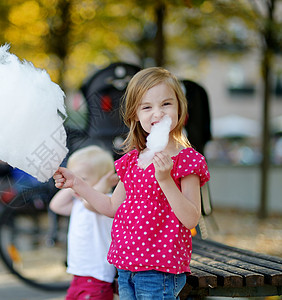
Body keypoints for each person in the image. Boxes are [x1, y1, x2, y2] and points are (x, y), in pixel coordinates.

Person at [53, 67, 210, 300]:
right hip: (125, 266)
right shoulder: (131, 162)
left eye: (166, 104)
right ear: (135, 114)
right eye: (147, 107)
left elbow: (191, 218)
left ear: (180, 108)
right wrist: (76, 183)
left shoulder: (187, 160)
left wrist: (165, 180)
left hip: (159, 270)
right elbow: (111, 207)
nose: (157, 113)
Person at [49, 145, 118, 300]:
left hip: (97, 276)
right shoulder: (77, 204)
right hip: (78, 274)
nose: (76, 183)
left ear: (106, 179)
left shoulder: (105, 201)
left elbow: (91, 201)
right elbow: (55, 205)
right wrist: (72, 184)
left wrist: (103, 184)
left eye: (83, 179)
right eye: (74, 177)